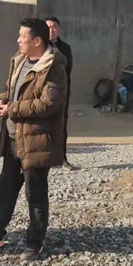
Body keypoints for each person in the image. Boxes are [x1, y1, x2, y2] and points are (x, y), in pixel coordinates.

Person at [0, 18, 68, 261]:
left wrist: (12, 108)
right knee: (6, 189)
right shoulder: (20, 60)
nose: (18, 40)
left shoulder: (53, 67)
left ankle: (35, 242)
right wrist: (1, 100)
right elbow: (10, 89)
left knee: (35, 195)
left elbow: (48, 104)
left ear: (37, 41)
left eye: (22, 36)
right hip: (13, 139)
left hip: (36, 142)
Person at [46, 16, 77, 170]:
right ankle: (43, 159)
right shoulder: (38, 46)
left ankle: (62, 158)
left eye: (54, 27)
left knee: (60, 125)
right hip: (41, 94)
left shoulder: (65, 48)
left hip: (60, 93)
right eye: (48, 27)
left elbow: (67, 70)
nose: (51, 30)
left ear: (59, 30)